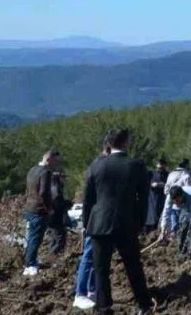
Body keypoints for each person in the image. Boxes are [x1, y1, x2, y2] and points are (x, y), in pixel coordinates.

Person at [82, 128, 154, 314]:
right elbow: (143, 199)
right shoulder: (136, 165)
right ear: (127, 142)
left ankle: (104, 307)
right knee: (133, 266)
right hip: (126, 223)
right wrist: (140, 223)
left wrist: (86, 224)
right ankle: (144, 305)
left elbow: (88, 199)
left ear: (108, 143)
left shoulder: (96, 166)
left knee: (101, 270)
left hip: (99, 223)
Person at [73, 140, 110, 311]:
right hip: (95, 221)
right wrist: (86, 224)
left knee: (97, 258)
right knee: (89, 256)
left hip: (101, 219)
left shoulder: (99, 166)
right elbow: (88, 199)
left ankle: (91, 289)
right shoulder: (98, 167)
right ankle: (79, 294)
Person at [22, 149, 59, 277]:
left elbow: (28, 189)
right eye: (55, 161)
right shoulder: (46, 172)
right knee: (35, 238)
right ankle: (30, 265)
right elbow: (43, 193)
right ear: (49, 159)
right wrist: (49, 208)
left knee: (31, 237)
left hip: (29, 208)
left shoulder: (32, 170)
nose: (55, 164)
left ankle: (29, 260)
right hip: (39, 210)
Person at [160, 159, 191, 239]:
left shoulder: (171, 174)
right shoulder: (186, 175)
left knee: (174, 226)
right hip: (181, 204)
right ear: (186, 165)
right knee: (181, 224)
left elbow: (165, 190)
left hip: (173, 203)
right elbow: (188, 191)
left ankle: (174, 236)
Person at [47, 169, 70, 256]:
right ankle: (52, 255)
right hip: (55, 218)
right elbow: (57, 203)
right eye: (63, 177)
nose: (64, 179)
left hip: (52, 218)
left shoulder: (52, 187)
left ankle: (53, 256)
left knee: (53, 239)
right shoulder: (55, 188)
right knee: (60, 238)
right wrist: (66, 203)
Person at [147, 159, 168, 234]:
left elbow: (169, 184)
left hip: (162, 196)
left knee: (161, 213)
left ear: (165, 166)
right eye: (159, 166)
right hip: (152, 195)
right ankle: (150, 231)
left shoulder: (167, 174)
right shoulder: (151, 173)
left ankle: (158, 230)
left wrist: (161, 184)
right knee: (152, 213)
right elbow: (146, 182)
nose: (160, 168)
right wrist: (151, 184)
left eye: (161, 166)